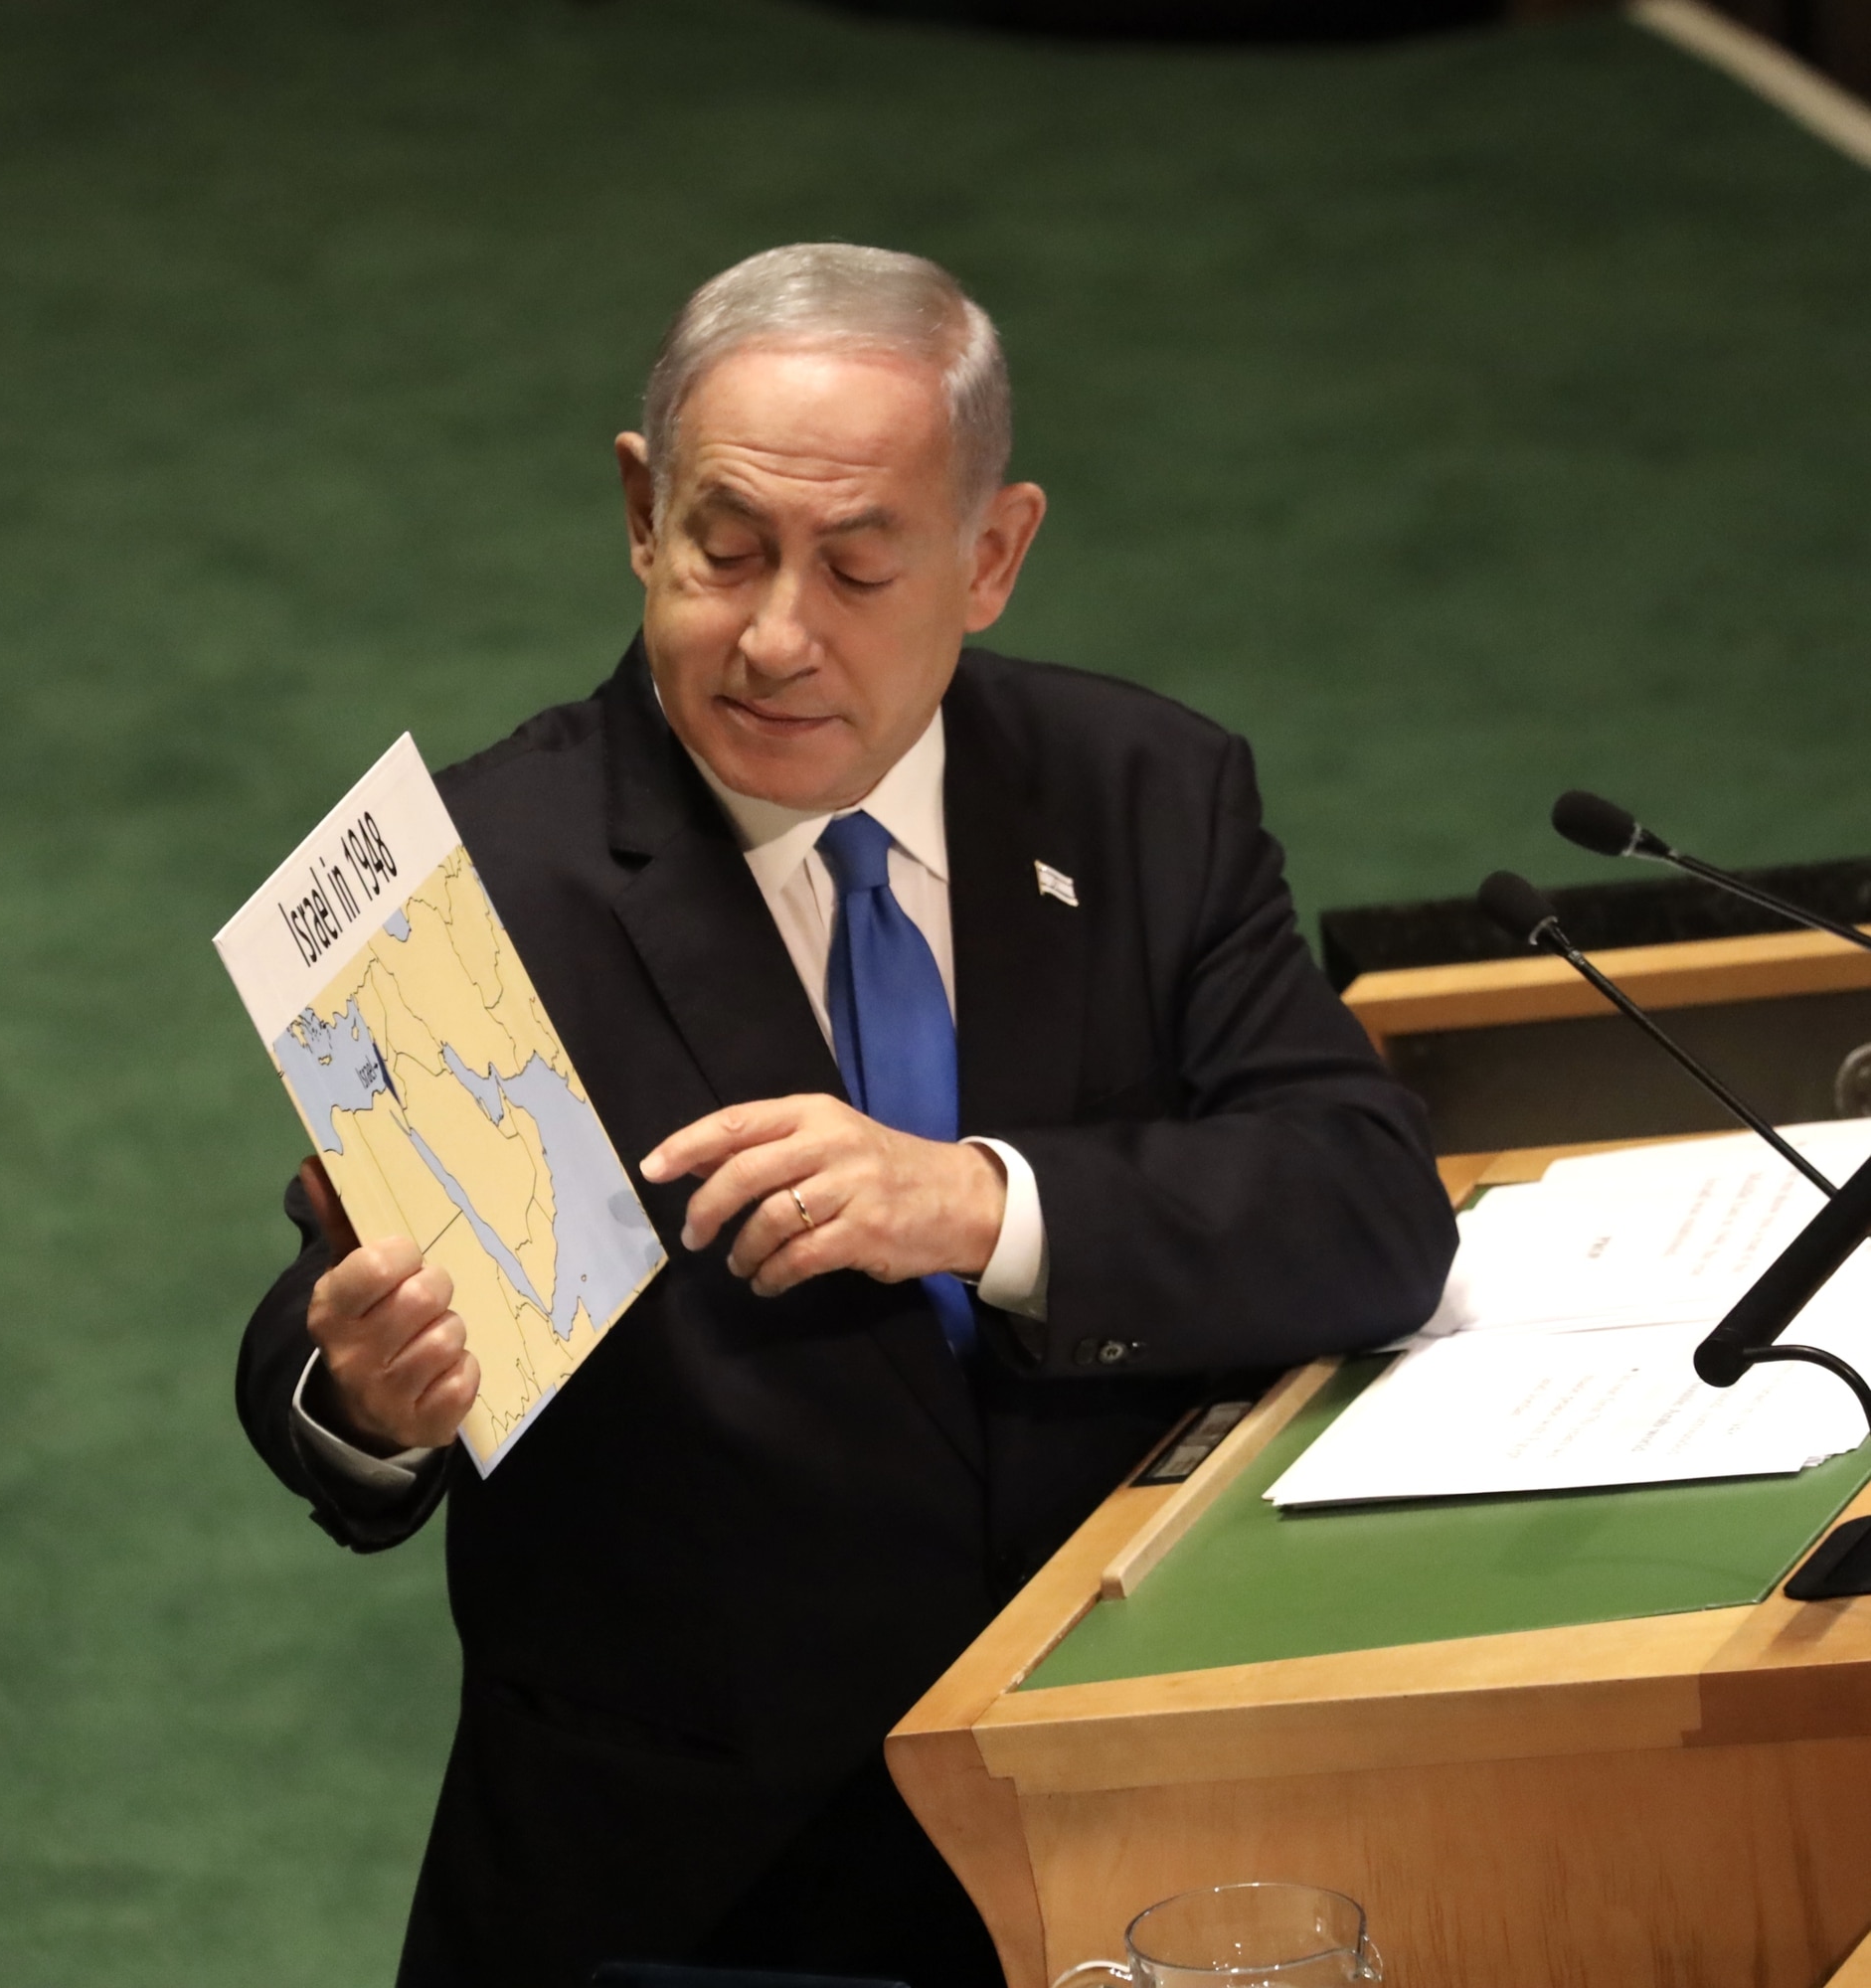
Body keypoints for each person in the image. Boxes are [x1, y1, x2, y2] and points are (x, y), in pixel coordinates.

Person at [237, 244, 1457, 1988]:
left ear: (992, 556)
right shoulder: (477, 880)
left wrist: (981, 1206)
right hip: (696, 1897)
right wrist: (366, 1393)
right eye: (724, 552)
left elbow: (1367, 1208)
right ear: (641, 511)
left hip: (1141, 1826)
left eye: (860, 566)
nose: (777, 634)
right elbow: (319, 1329)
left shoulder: (1145, 794)